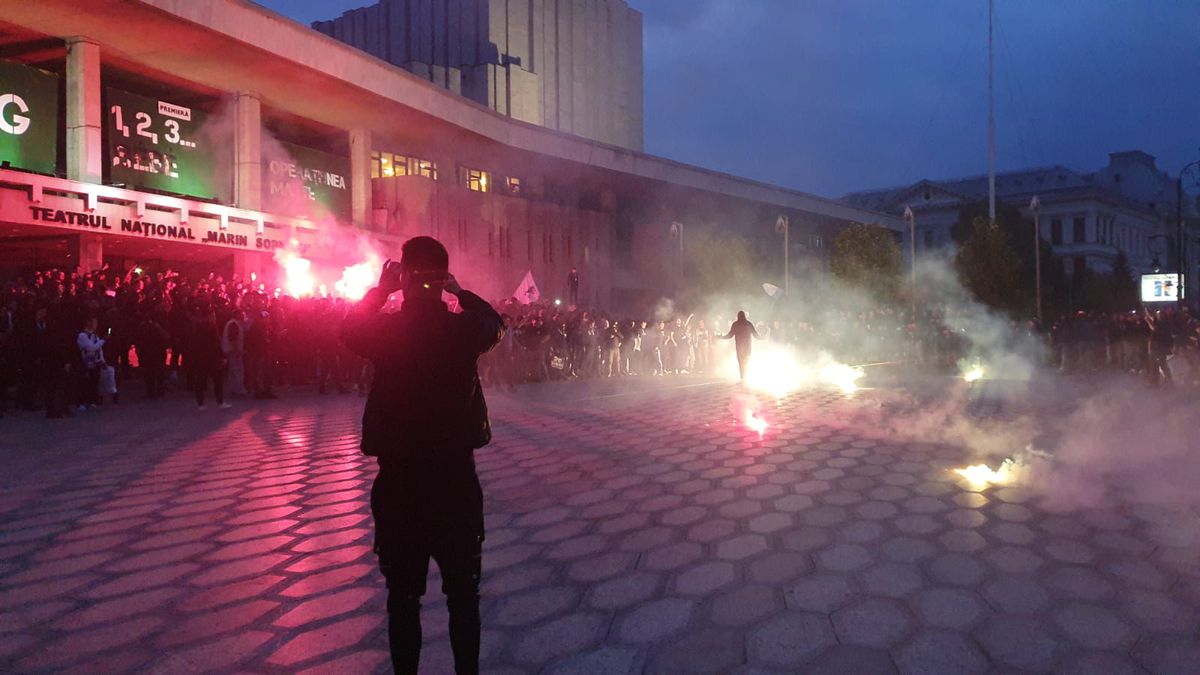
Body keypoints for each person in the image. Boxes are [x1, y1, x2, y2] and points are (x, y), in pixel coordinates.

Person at [342, 236, 504, 675]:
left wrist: (381, 291)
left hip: (401, 485)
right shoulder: (461, 331)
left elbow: (349, 329)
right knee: (464, 598)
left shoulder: (387, 331)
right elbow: (494, 323)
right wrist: (459, 291)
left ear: (406, 278)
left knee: (403, 600)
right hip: (455, 484)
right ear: (443, 278)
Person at [190, 309, 229, 410]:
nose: (214, 319)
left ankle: (219, 402)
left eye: (214, 317)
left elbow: (217, 344)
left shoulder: (213, 328)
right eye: (212, 317)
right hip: (205, 358)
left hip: (212, 358)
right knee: (202, 380)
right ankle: (201, 403)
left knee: (217, 380)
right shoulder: (203, 329)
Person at [721, 310, 761, 381]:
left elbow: (729, 335)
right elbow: (755, 334)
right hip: (748, 346)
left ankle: (742, 375)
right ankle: (745, 374)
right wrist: (762, 338)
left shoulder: (735, 324)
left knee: (740, 361)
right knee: (746, 360)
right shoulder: (749, 324)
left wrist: (721, 337)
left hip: (739, 347)